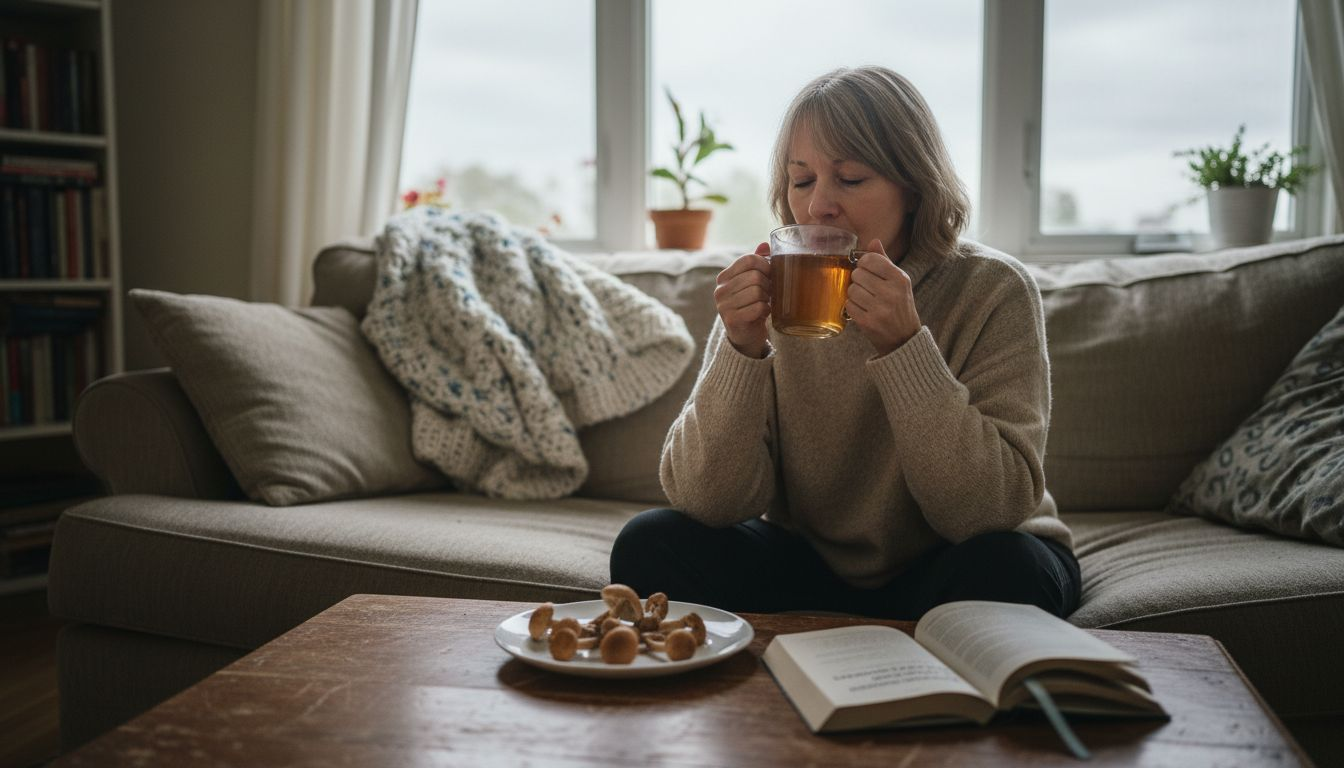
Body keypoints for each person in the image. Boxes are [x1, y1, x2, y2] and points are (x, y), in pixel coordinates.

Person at [609, 65, 1079, 620]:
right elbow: (708, 500)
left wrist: (906, 347)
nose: (817, 207)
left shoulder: (994, 290)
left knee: (1010, 570)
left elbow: (985, 511)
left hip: (956, 558)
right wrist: (742, 349)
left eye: (850, 178)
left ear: (915, 187)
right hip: (809, 566)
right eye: (802, 180)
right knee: (648, 542)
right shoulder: (776, 288)